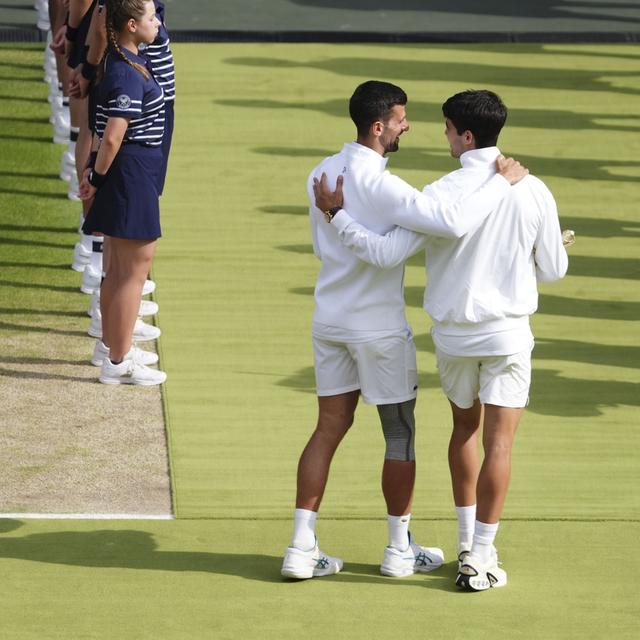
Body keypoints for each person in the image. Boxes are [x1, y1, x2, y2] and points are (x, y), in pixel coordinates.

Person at [313, 89, 568, 590]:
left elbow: (386, 251)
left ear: (465, 135)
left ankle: (465, 542)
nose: (441, 134)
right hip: (508, 335)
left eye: (447, 127)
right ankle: (481, 554)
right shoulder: (533, 190)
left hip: (453, 339)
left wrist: (336, 217)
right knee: (500, 442)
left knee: (465, 433)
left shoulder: (440, 191)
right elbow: (553, 270)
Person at [79, 0, 167, 385]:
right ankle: (118, 359)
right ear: (132, 25)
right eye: (151, 17)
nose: (157, 22)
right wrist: (95, 180)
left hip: (129, 172)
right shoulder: (127, 73)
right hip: (131, 172)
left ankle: (115, 352)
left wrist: (94, 174)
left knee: (117, 273)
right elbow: (113, 136)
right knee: (131, 273)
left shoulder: (120, 65)